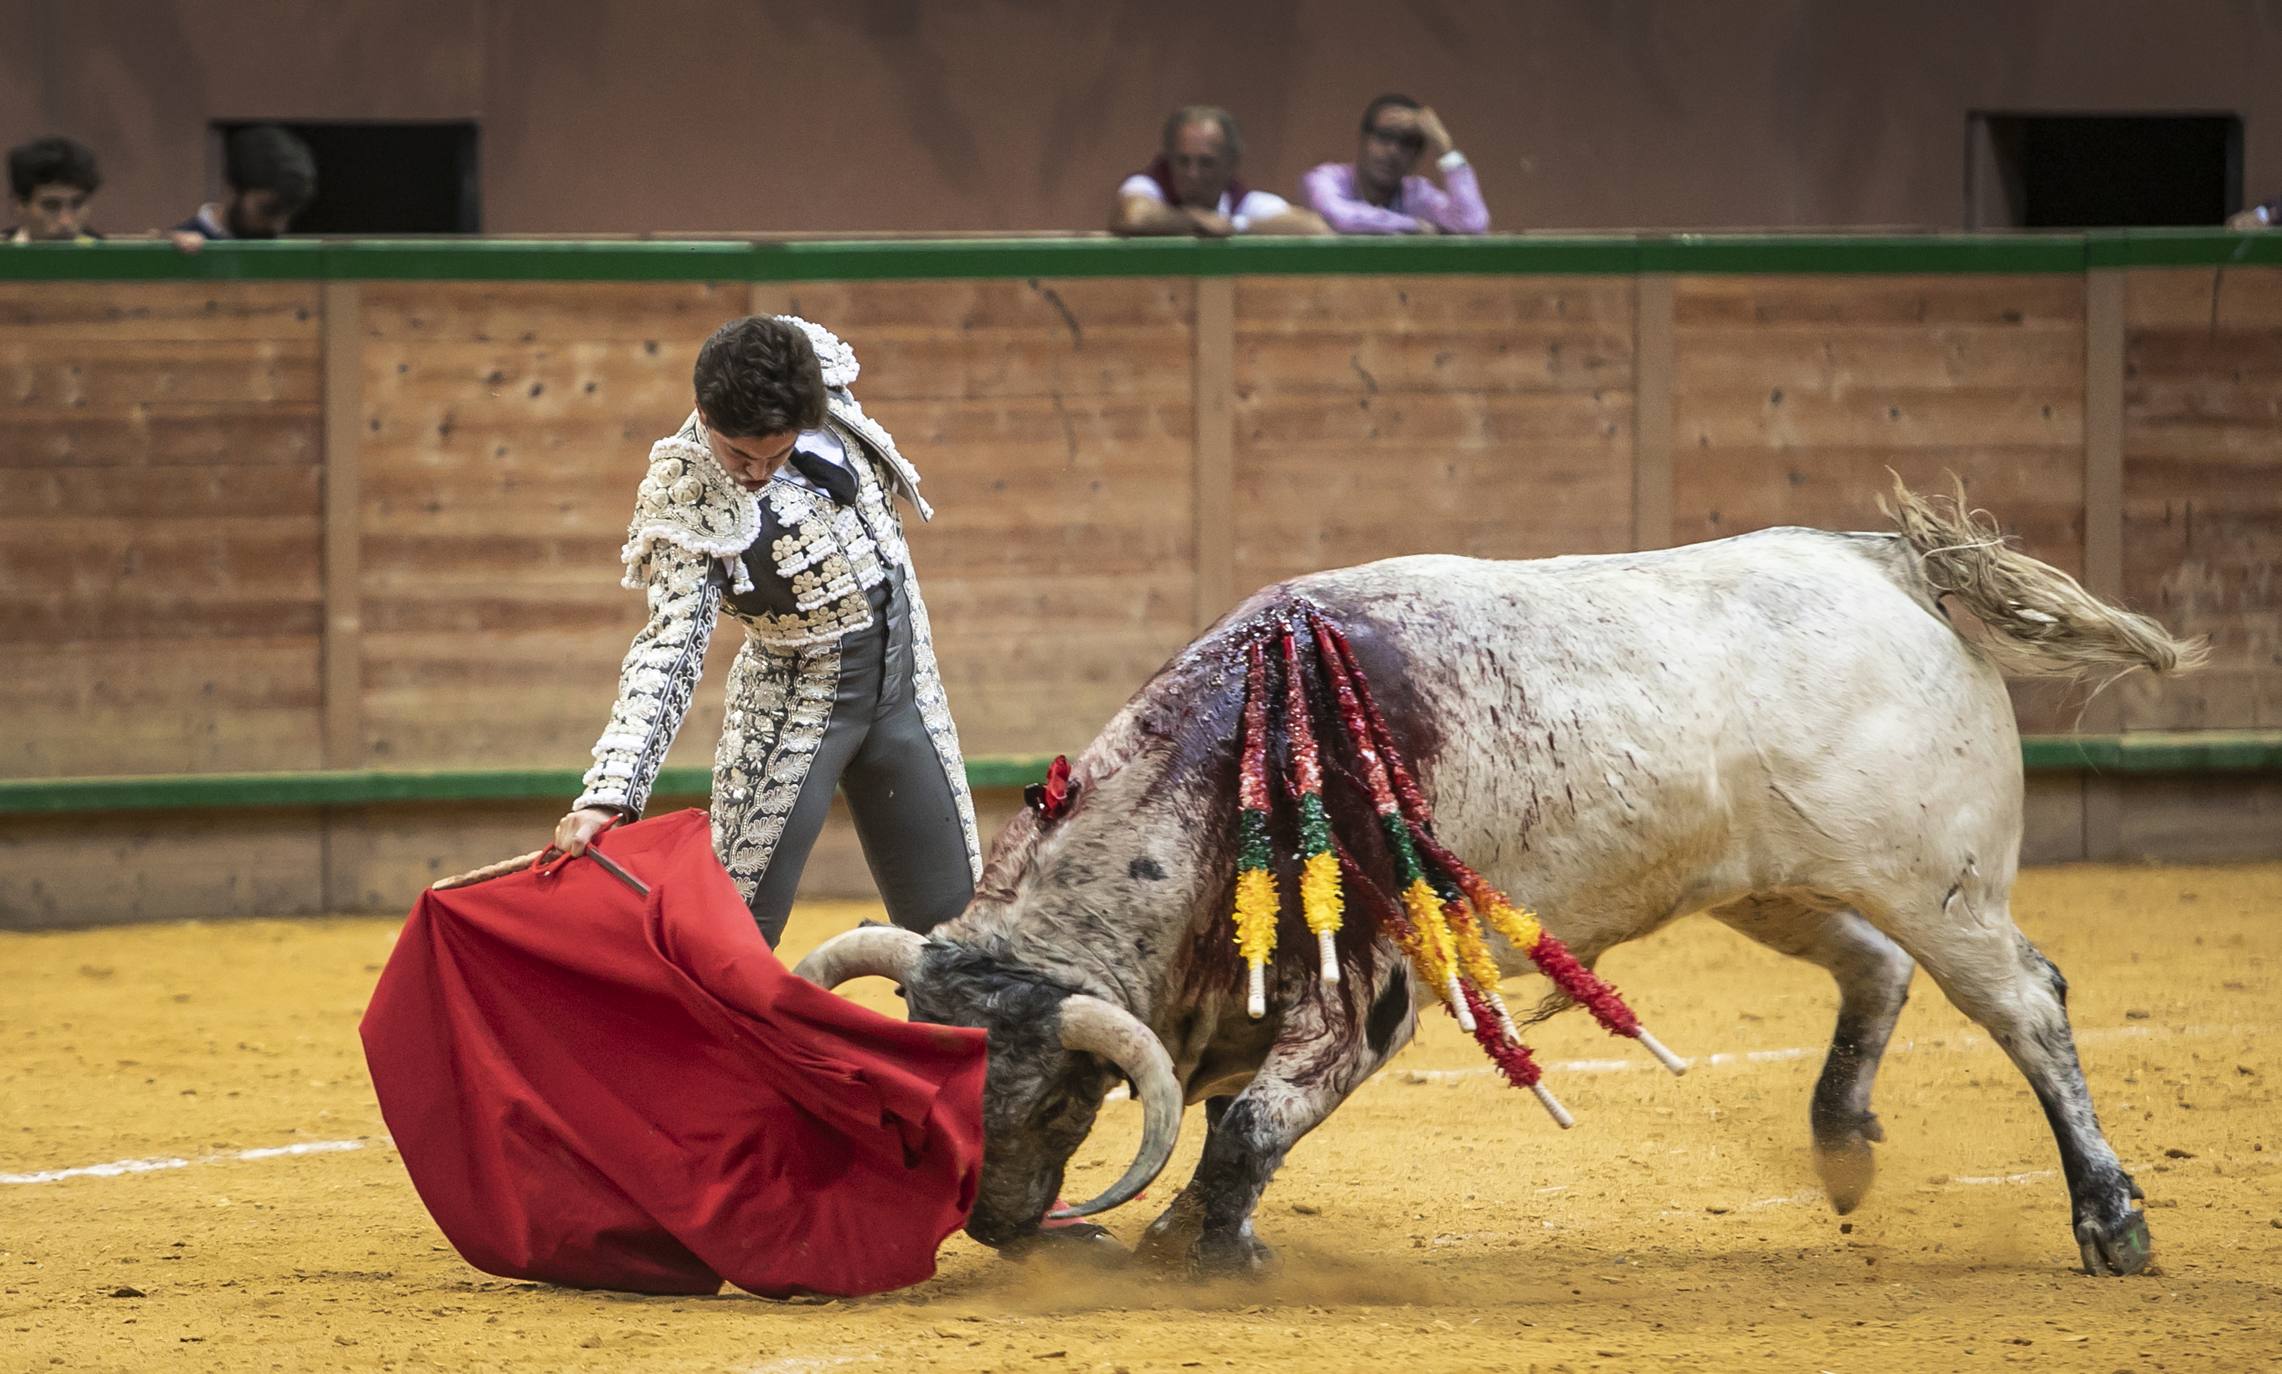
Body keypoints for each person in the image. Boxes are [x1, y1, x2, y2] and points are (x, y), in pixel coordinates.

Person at [553, 315, 982, 948]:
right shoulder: (687, 492)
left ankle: (974, 1052)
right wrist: (608, 794)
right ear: (703, 414)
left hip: (905, 692)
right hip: (795, 708)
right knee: (733, 937)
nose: (756, 473)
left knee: (959, 935)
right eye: (739, 455)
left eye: (776, 454)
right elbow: (668, 646)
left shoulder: (821, 387)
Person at [1110, 105, 1328, 237]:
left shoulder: (1244, 203)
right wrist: (1196, 221)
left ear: (1231, 164)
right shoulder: (1148, 185)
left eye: (1206, 163)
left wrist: (1234, 225)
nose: (1192, 173)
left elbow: (1314, 227)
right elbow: (1133, 216)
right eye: (1183, 161)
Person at [1301, 94, 1491, 236]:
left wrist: (1445, 145)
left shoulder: (1417, 193)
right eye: (1385, 136)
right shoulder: (1326, 178)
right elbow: (1337, 216)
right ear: (1363, 140)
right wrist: (1416, 227)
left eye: (1406, 143)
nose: (1393, 151)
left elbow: (1472, 224)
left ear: (1417, 155)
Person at [171, 124, 316, 249]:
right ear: (234, 189)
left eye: (288, 213)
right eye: (269, 209)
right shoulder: (178, 247)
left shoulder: (280, 259)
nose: (279, 226)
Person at [6, 137, 102, 243]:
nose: (65, 222)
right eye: (51, 206)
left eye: (77, 204)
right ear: (19, 205)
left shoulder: (108, 257)